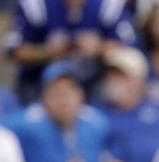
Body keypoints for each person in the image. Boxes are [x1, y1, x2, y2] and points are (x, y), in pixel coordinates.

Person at [7, 0, 137, 102]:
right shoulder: (36, 5)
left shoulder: (108, 5)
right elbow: (14, 50)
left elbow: (129, 49)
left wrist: (99, 47)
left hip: (95, 82)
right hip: (40, 83)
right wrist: (47, 51)